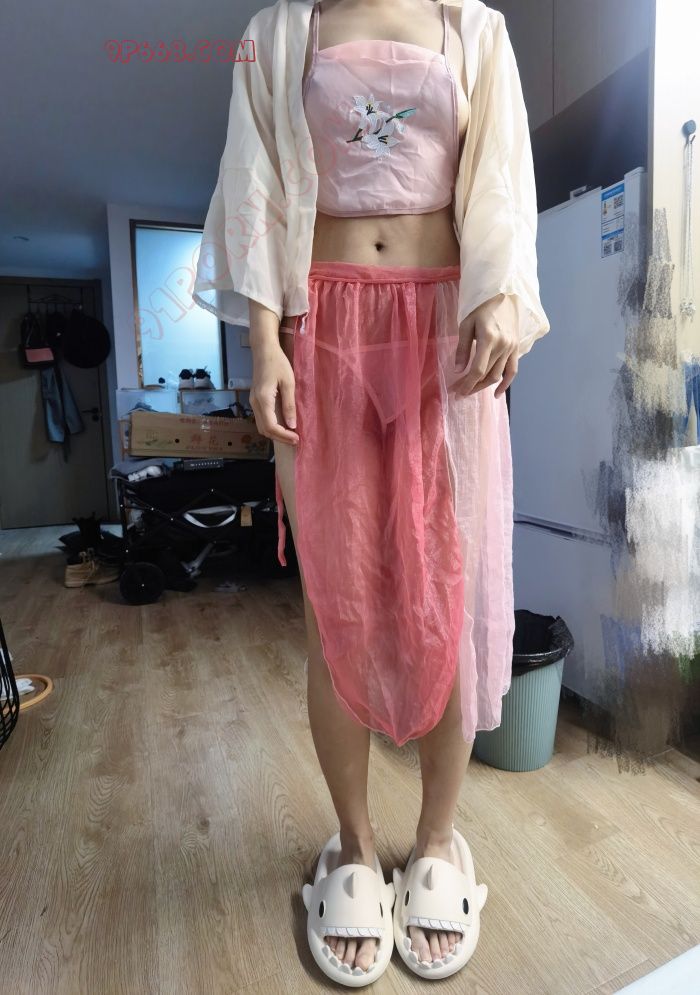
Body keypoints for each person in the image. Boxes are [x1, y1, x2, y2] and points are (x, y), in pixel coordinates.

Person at [193, 0, 550, 983]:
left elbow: (505, 179)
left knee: (447, 595)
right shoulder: (279, 31)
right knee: (338, 603)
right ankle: (352, 845)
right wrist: (263, 343)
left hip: (445, 334)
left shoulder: (473, 29)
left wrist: (503, 296)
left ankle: (437, 839)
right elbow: (254, 179)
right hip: (322, 329)